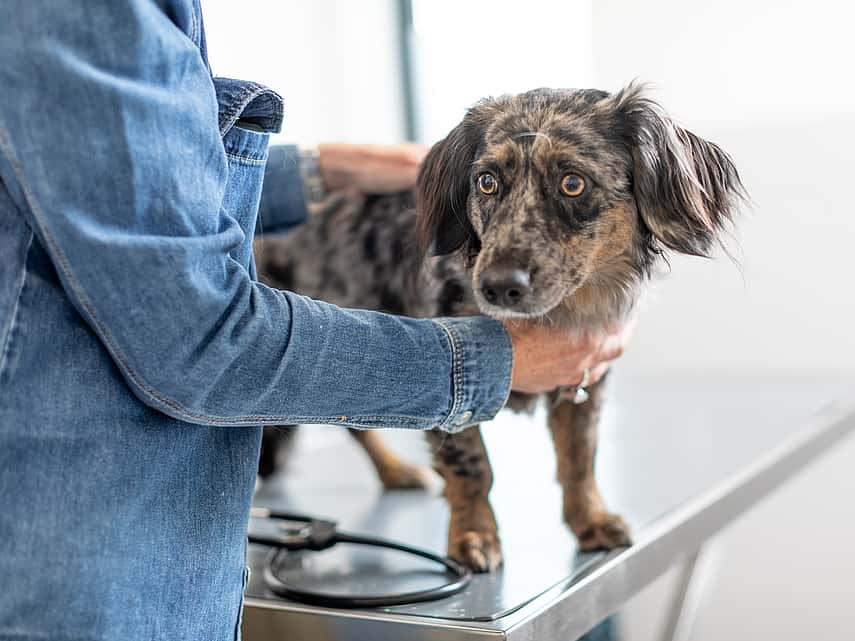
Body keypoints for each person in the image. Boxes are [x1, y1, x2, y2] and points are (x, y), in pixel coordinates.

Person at [0, 3, 631, 640]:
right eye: (490, 184)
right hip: (79, 562)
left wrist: (325, 166)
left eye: (574, 187)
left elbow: (137, 179)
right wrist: (489, 362)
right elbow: (199, 339)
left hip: (131, 543)